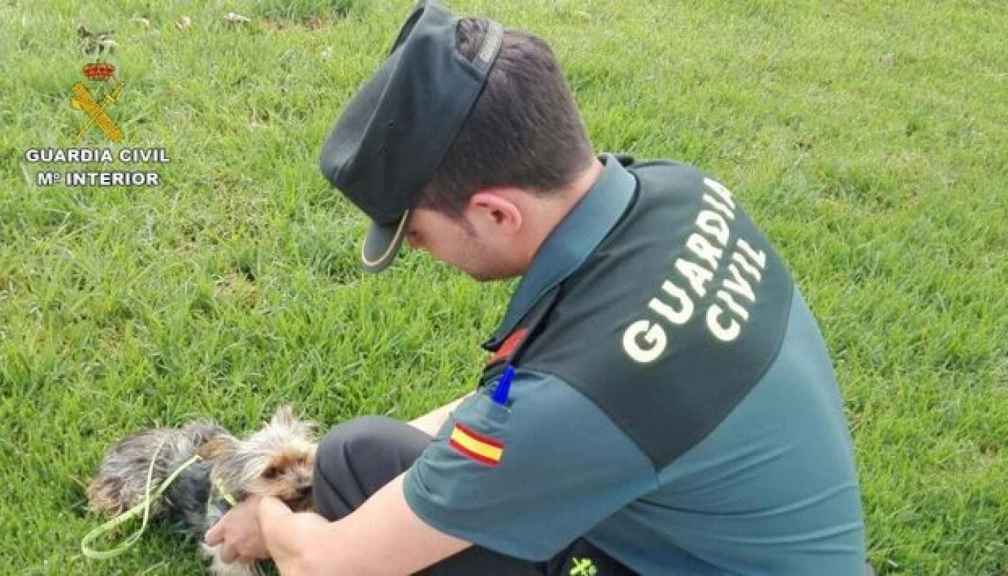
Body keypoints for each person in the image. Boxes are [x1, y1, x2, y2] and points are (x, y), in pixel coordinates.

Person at [205, 1, 870, 574]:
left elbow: (330, 563)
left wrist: (270, 524)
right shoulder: (680, 191)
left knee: (359, 500)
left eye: (416, 234)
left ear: (496, 213)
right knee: (356, 455)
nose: (417, 250)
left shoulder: (577, 399)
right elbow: (513, 397)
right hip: (714, 540)